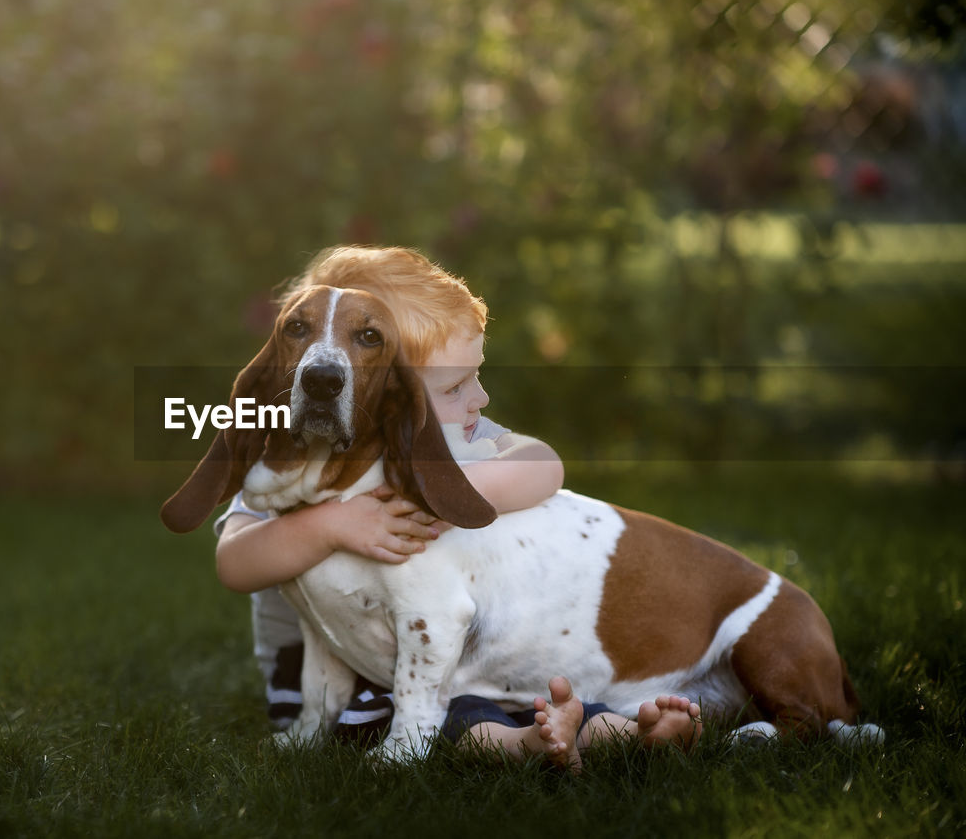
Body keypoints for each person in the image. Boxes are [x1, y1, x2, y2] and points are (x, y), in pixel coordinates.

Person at [214, 246, 701, 767]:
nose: (480, 399)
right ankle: (542, 742)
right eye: (454, 385)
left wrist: (439, 492)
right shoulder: (280, 472)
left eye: (474, 376)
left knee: (490, 704)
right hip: (347, 678)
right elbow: (235, 562)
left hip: (448, 667)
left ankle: (608, 728)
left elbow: (544, 465)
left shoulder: (450, 447)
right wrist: (331, 525)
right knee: (449, 721)